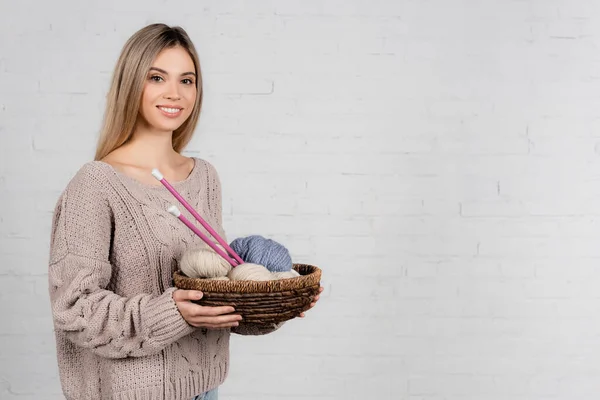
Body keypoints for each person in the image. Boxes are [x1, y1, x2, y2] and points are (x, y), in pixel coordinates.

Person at [47, 23, 322, 400]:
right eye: (157, 77)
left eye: (187, 80)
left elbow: (213, 291)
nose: (174, 93)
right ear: (131, 84)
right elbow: (74, 310)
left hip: (206, 388)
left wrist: (268, 305)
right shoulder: (96, 183)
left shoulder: (205, 177)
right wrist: (171, 312)